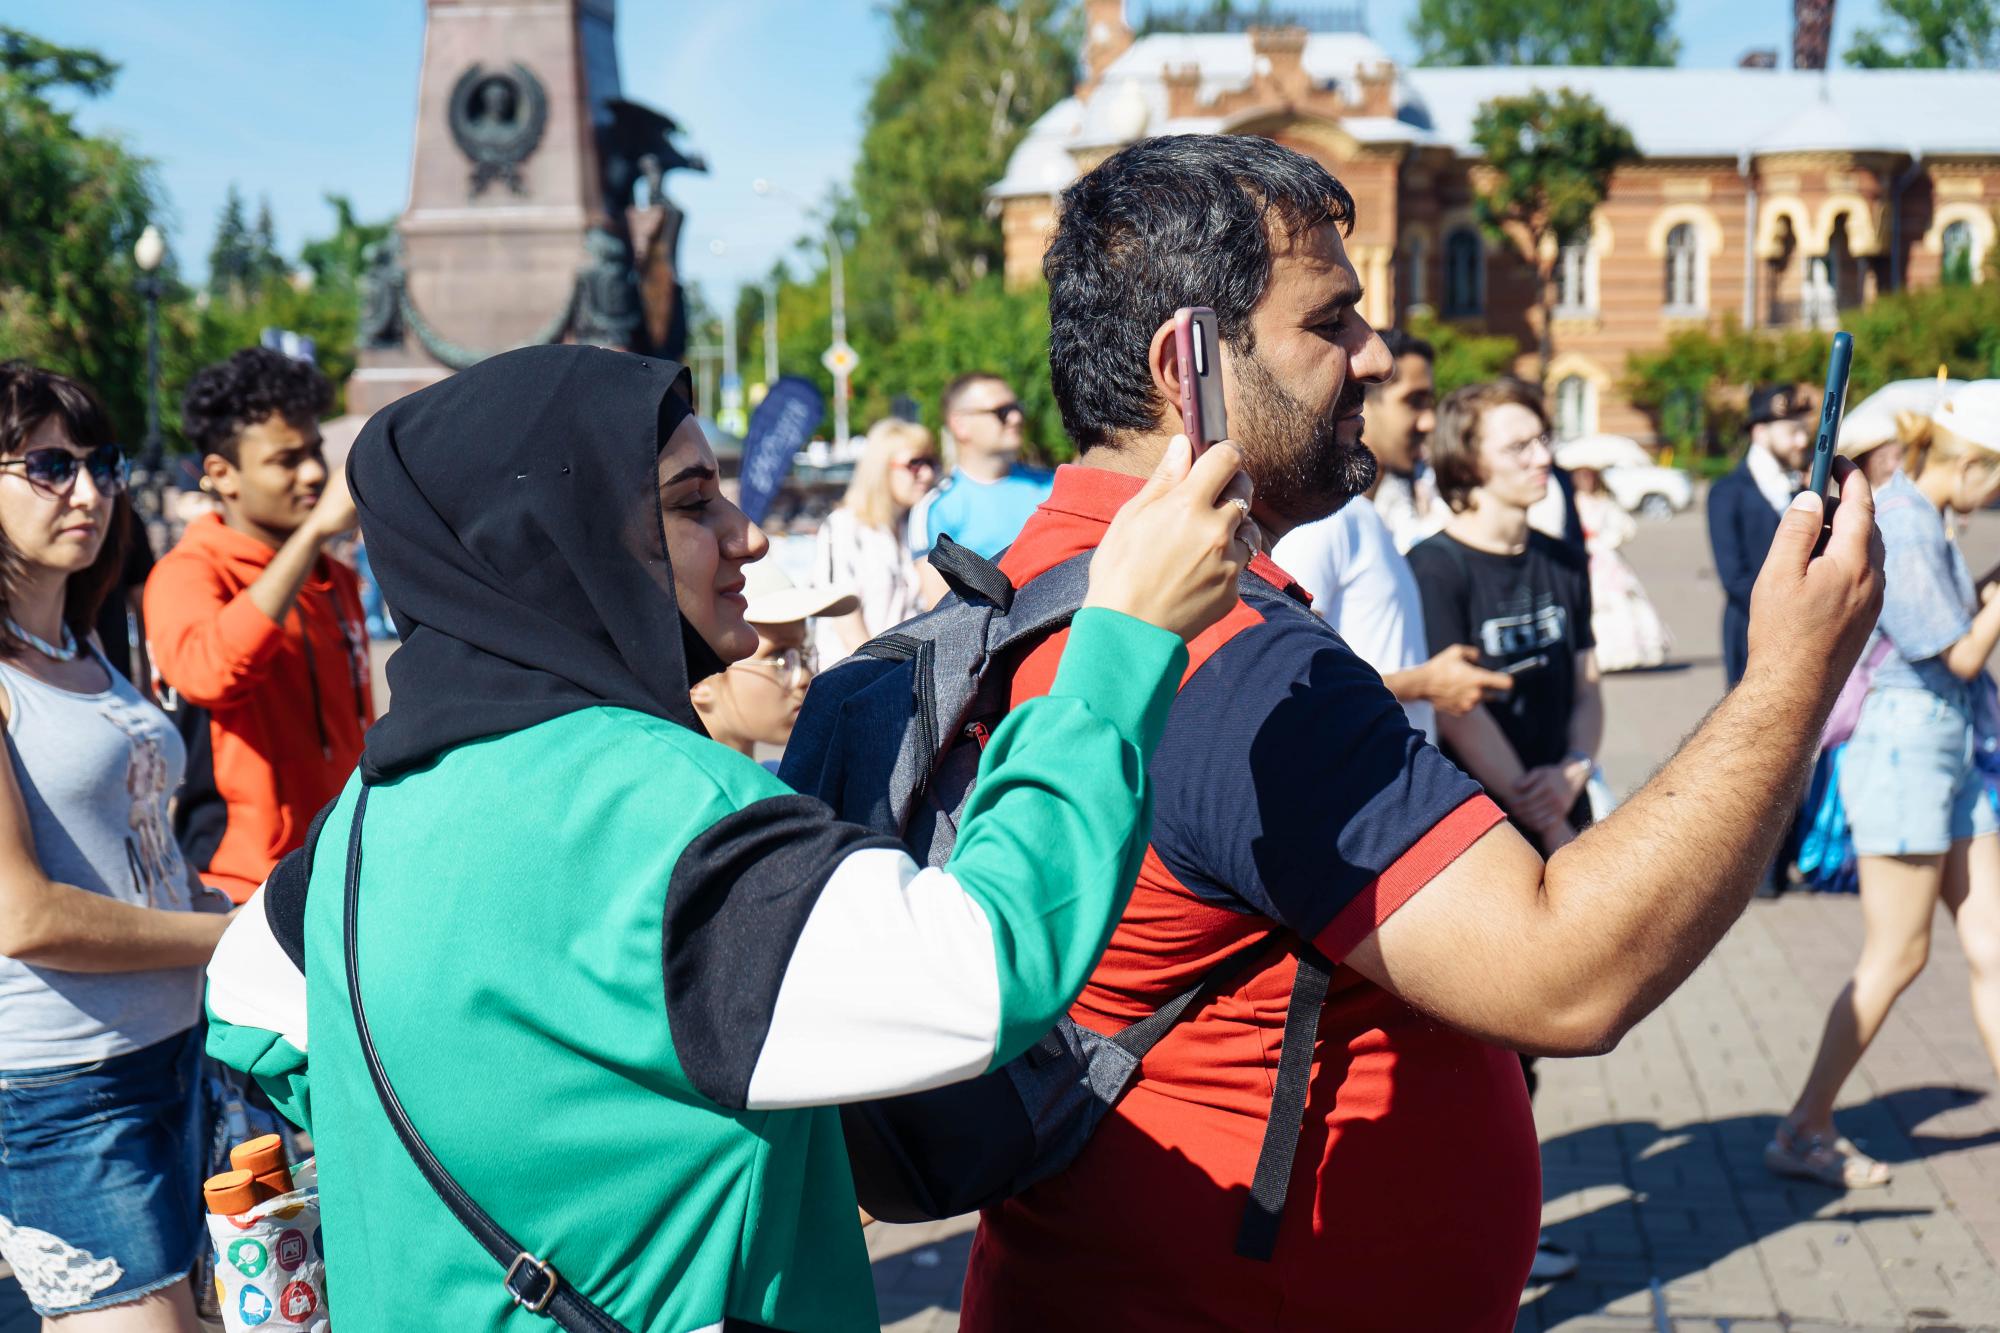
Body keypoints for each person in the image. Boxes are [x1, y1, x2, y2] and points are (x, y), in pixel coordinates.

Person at [952, 132, 1882, 1333]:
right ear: (1186, 368)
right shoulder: (1229, 662)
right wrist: (1792, 675)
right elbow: (1566, 971)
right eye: (1328, 321)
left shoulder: (1041, 572)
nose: (1377, 354)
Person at [202, 343, 1256, 1330]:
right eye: (690, 502)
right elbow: (985, 965)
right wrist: (1122, 638)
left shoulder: (370, 811)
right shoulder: (652, 805)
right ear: (556, 541)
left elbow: (246, 1000)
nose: (748, 534)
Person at [0, 362, 231, 1329]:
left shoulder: (86, 641)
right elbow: (24, 916)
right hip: (66, 1088)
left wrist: (224, 906)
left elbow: (137, 849)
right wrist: (229, 934)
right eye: (49, 466)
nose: (89, 492)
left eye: (101, 463)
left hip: (179, 1053)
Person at [1771, 382, 2000, 1190]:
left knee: (1992, 945)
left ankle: (1805, 1123)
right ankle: (1804, 1125)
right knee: (1898, 953)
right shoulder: (1900, 519)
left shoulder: (1920, 515)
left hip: (1947, 748)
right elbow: (1958, 654)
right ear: (1971, 464)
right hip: (1905, 750)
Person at [144, 348, 372, 903]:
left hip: (338, 876)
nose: (314, 472)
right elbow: (212, 672)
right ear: (222, 475)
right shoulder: (189, 572)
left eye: (315, 451)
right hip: (240, 890)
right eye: (286, 460)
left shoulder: (335, 579)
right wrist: (313, 534)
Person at [1271, 329, 1513, 742]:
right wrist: (1424, 683)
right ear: (1361, 402)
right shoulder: (1328, 520)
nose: (1429, 422)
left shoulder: (1366, 515)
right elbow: (1292, 677)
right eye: (1414, 401)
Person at [1410, 381, 1602, 856]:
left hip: (1565, 799)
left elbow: (1588, 685)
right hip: (1487, 823)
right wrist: (1543, 814)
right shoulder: (1433, 567)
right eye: (1519, 447)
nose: (1542, 458)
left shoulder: (1562, 559)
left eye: (1543, 440)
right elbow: (1457, 710)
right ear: (1468, 461)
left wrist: (1574, 769)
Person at [694, 559, 857, 762]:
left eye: (804, 653)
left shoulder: (777, 775)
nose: (805, 677)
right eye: (779, 656)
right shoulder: (679, 782)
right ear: (700, 679)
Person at [1709, 384, 1813, 687]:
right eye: (1792, 431)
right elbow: (1734, 577)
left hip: (1802, 632)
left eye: (1803, 431)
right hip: (1751, 629)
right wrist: (1788, 614)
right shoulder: (1727, 492)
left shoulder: (1802, 489)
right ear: (1760, 432)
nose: (1801, 441)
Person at [815, 417, 938, 660]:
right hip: (856, 674)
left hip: (905, 673)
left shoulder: (914, 527)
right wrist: (875, 669)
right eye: (915, 464)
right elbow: (845, 619)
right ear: (881, 469)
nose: (927, 473)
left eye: (931, 462)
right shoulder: (843, 526)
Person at [912, 372, 1052, 574]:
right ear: (960, 424)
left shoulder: (1054, 485)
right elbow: (937, 593)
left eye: (1017, 408)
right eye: (1001, 411)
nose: (1016, 418)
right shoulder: (937, 508)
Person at [1566, 461, 1673, 672]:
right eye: (1581, 476)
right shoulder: (1572, 502)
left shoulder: (1605, 502)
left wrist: (1607, 538)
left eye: (1589, 475)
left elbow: (1626, 528)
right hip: (1582, 556)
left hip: (1604, 557)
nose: (1586, 480)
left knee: (1619, 600)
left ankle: (1628, 652)